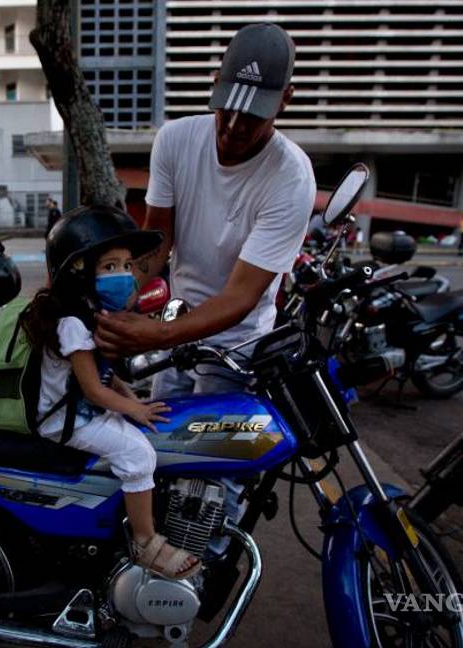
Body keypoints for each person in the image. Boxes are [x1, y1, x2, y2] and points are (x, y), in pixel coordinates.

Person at [93, 23, 316, 553]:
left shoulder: (291, 177)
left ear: (285, 100)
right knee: (157, 452)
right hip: (178, 327)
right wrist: (109, 298)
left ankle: (204, 562)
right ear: (214, 82)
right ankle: (146, 560)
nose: (234, 126)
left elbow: (241, 297)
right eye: (226, 106)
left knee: (217, 474)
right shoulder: (176, 139)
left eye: (253, 114)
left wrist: (148, 337)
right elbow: (157, 243)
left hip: (238, 342)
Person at [26, 205, 198, 579]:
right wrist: (133, 410)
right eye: (108, 267)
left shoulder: (90, 311)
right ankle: (145, 541)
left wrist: (132, 400)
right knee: (138, 454)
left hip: (81, 409)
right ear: (78, 271)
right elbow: (92, 389)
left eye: (125, 266)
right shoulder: (72, 323)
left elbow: (106, 377)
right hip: (63, 420)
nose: (122, 276)